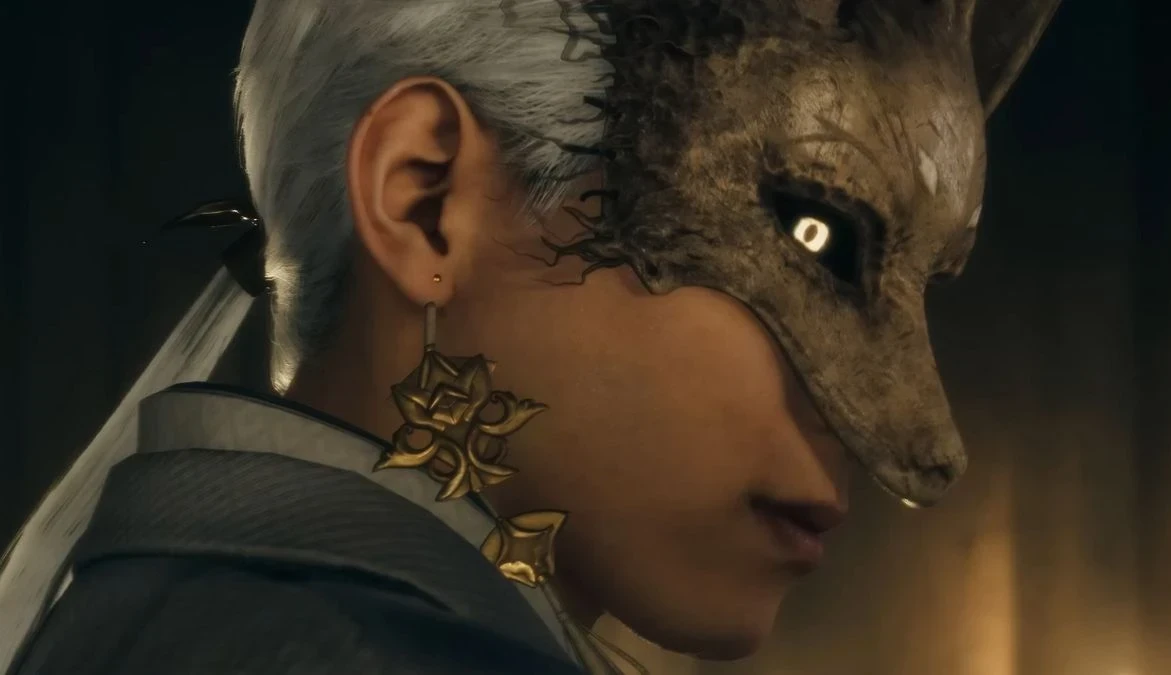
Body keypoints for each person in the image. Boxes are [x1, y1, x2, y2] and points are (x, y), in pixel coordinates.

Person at [0, 0, 1062, 673]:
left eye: (924, 285)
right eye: (815, 233)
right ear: (424, 199)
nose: (920, 437)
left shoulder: (147, 613)